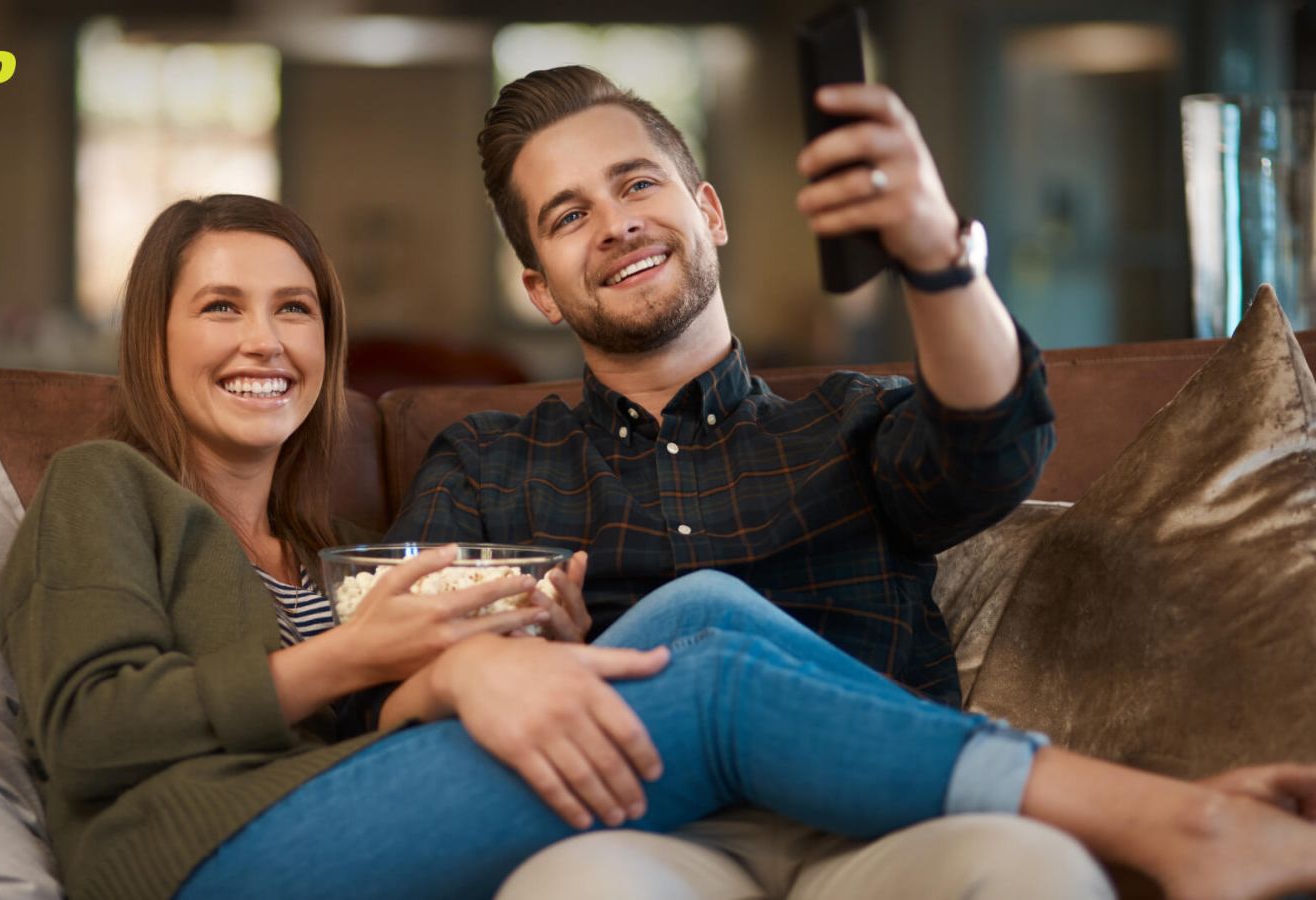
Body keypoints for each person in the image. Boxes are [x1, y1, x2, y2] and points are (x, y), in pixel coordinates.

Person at [0, 193, 1316, 900]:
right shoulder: (102, 485)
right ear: (152, 341)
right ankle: (1179, 825)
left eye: (294, 309)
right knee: (713, 686)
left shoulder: (312, 549)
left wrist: (486, 656)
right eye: (219, 306)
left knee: (702, 607)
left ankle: (1072, 794)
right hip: (187, 867)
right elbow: (96, 729)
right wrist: (371, 661)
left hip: (321, 824)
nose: (264, 341)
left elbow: (358, 758)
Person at [369, 65, 1166, 898]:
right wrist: (529, 661)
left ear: (709, 213)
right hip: (645, 834)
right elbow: (382, 683)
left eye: (636, 183)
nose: (616, 225)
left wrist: (936, 257)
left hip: (880, 825)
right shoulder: (486, 463)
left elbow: (992, 451)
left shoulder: (851, 422)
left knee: (1040, 869)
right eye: (569, 217)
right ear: (541, 291)